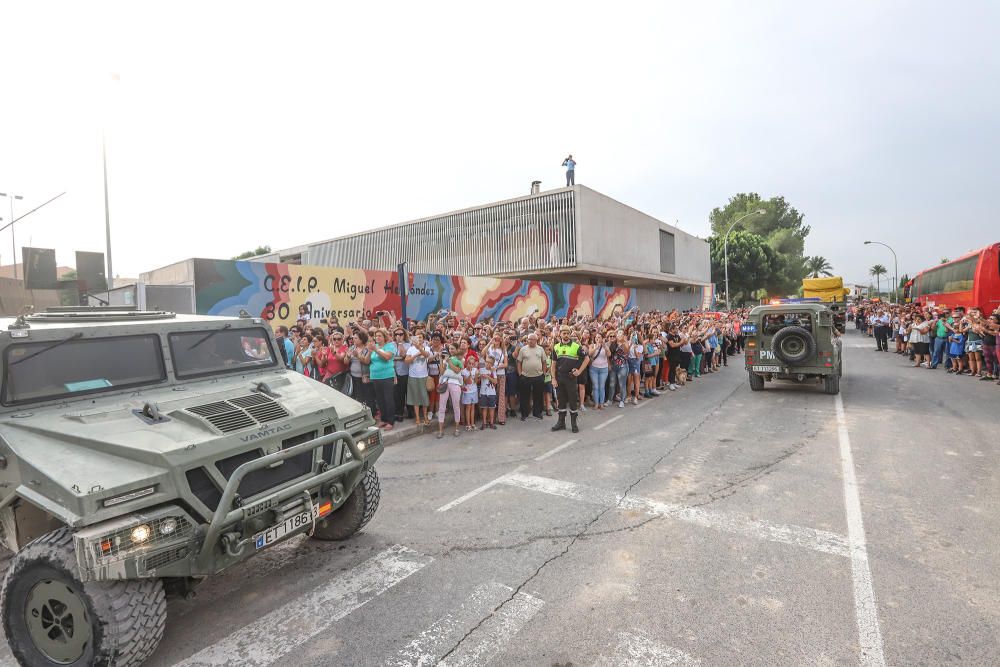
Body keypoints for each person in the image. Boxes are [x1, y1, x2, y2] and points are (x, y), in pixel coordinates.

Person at [551, 325, 589, 433]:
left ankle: (573, 423)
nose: (566, 335)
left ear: (570, 334)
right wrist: (553, 378)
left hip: (571, 378)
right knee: (561, 400)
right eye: (564, 333)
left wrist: (579, 371)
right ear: (560, 334)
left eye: (568, 333)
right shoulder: (556, 347)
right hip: (559, 377)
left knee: (572, 401)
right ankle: (561, 423)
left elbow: (586, 359)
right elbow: (553, 365)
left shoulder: (576, 346)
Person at [369, 329, 397, 430]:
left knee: (388, 399)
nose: (377, 338)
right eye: (376, 336)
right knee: (380, 400)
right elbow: (370, 360)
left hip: (387, 376)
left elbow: (387, 357)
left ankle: (390, 421)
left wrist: (376, 350)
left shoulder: (390, 346)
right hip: (375, 376)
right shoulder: (374, 346)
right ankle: (384, 419)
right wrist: (370, 351)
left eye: (380, 336)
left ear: (384, 337)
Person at [517, 332, 548, 420]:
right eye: (529, 339)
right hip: (525, 376)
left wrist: (544, 373)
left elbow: (544, 362)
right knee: (524, 396)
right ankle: (524, 413)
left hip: (538, 376)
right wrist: (520, 374)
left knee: (538, 396)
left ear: (536, 340)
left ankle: (537, 413)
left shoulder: (540, 349)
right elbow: (519, 362)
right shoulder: (523, 349)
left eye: (532, 339)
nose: (530, 341)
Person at [436, 343, 464, 439]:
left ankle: (457, 429)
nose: (451, 350)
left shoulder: (460, 359)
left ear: (456, 350)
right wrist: (441, 359)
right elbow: (442, 372)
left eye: (453, 349)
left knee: (456, 406)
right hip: (445, 383)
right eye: (450, 349)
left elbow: (457, 371)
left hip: (455, 384)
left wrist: (449, 362)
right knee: (442, 407)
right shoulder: (446, 359)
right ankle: (440, 430)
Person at [405, 331, 432, 426]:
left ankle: (425, 416)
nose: (419, 339)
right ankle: (417, 417)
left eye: (421, 337)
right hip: (413, 376)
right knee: (415, 398)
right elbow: (407, 361)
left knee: (424, 398)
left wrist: (419, 348)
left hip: (423, 376)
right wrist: (415, 354)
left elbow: (426, 355)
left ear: (423, 339)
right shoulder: (410, 349)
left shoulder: (427, 347)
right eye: (417, 337)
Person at [588, 332, 610, 409]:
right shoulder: (592, 345)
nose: (597, 338)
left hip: (604, 369)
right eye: (596, 337)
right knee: (596, 387)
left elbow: (609, 354)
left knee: (602, 386)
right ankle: (596, 403)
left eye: (599, 337)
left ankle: (601, 403)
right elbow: (590, 354)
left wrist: (605, 347)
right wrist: (596, 348)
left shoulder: (605, 346)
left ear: (602, 338)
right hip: (594, 369)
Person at [478, 356, 498, 430]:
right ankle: (484, 423)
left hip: (492, 392)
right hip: (483, 392)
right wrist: (480, 376)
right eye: (487, 362)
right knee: (484, 408)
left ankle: (491, 422)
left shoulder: (493, 371)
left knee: (492, 408)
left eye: (490, 363)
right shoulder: (481, 369)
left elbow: (495, 382)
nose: (488, 364)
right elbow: (478, 380)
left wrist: (488, 376)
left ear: (492, 364)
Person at [461, 355, 479, 431]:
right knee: (468, 408)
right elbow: (466, 381)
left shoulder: (475, 370)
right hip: (467, 392)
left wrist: (476, 375)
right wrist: (470, 375)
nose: (471, 365)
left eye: (472, 364)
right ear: (466, 363)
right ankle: (468, 424)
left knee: (473, 408)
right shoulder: (464, 371)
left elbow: (476, 382)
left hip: (474, 391)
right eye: (469, 363)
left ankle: (473, 423)